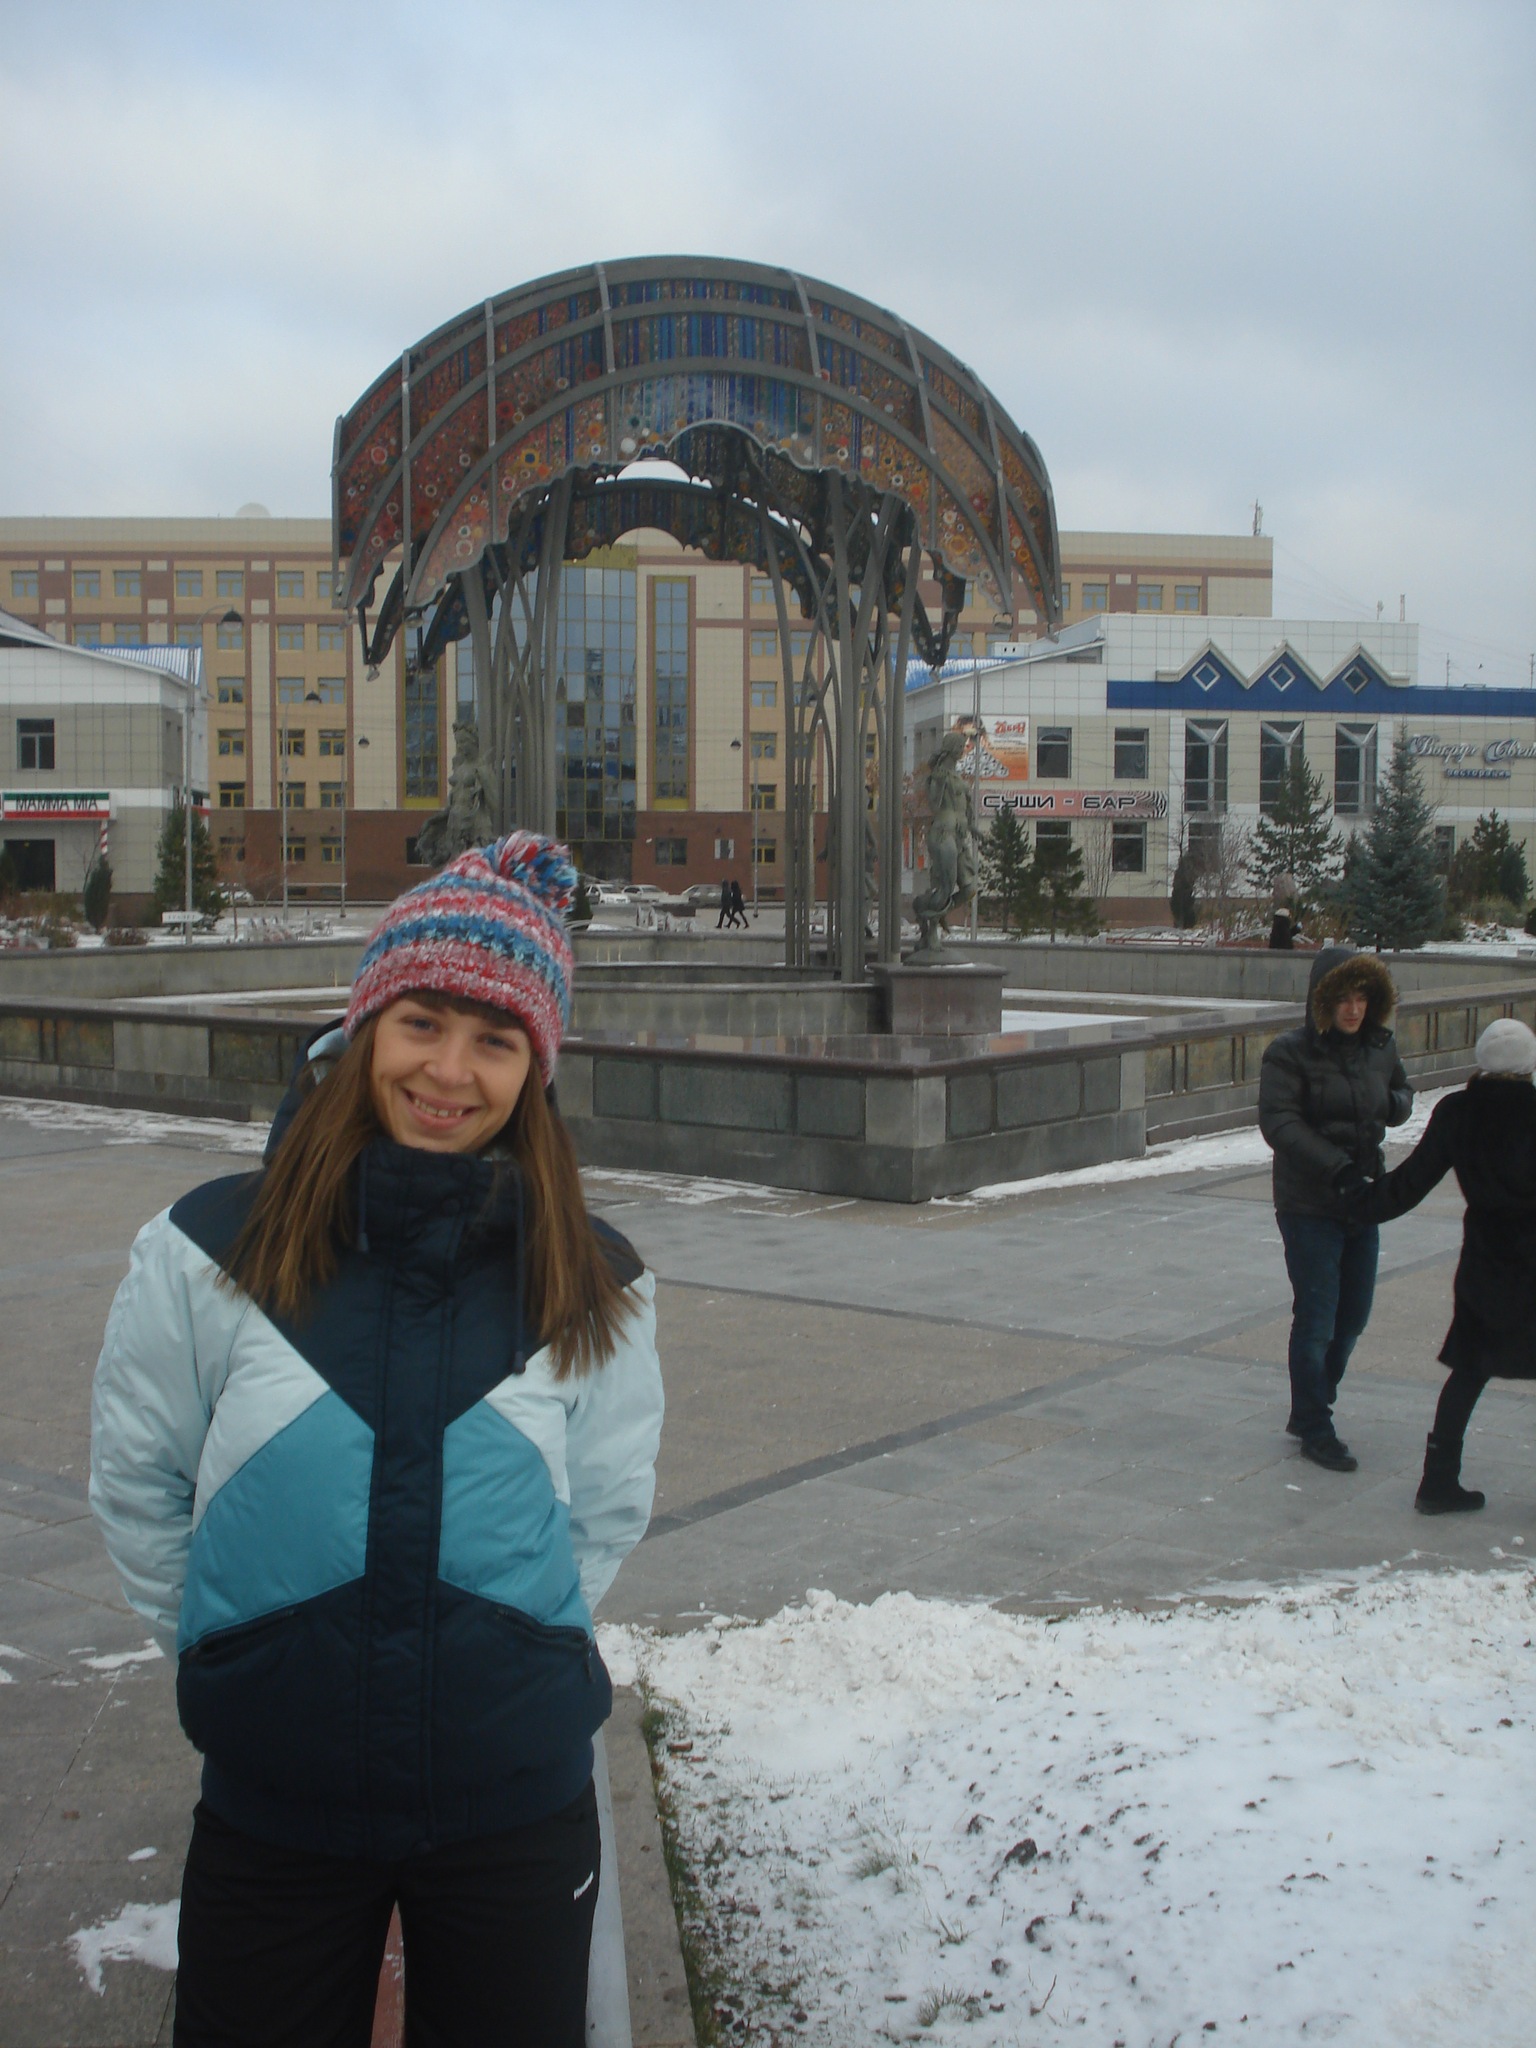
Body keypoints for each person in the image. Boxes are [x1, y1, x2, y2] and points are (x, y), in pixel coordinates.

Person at [90, 833, 664, 2048]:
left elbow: (603, 1509)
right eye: (422, 1022)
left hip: (513, 1806)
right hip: (276, 1806)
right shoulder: (209, 1248)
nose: (449, 1069)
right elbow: (142, 1481)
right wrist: (238, 1644)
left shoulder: (593, 1278)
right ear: (363, 1029)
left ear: (536, 1069)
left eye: (495, 1038)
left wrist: (503, 1646)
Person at [1351, 1017, 1536, 1514]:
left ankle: (1438, 1480)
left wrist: (1355, 1200)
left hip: (1486, 1261)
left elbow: (1411, 1182)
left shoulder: (1458, 1111)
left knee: (1470, 1368)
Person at [1258, 946, 1412, 1471]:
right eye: (1342, 998)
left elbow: (1402, 1090)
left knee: (1353, 1318)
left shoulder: (1379, 1047)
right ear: (1322, 1001)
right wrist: (1337, 1169)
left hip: (1362, 1201)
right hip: (1309, 1203)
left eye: (1362, 997)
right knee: (1318, 1318)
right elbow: (1280, 1123)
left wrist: (1393, 1105)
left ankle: (1312, 1401)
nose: (1353, 1009)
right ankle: (1315, 1425)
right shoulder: (1290, 1052)